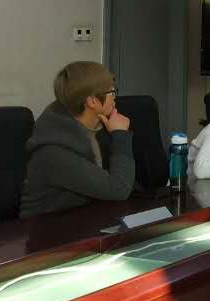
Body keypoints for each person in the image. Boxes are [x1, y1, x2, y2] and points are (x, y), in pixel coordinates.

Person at [21, 61, 134, 217]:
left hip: (86, 218)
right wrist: (120, 135)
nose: (115, 99)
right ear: (92, 101)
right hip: (47, 228)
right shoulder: (54, 151)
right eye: (112, 92)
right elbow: (118, 189)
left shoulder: (98, 127)